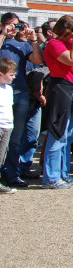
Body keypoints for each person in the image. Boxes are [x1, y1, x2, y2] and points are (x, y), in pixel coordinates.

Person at [0, 13, 45, 188]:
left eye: (16, 25)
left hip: (19, 92)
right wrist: (3, 33)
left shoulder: (22, 45)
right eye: (10, 24)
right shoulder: (2, 40)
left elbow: (38, 60)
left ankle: (12, 175)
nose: (14, 28)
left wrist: (33, 41)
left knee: (15, 138)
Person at [41, 15, 73, 189]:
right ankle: (50, 177)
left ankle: (63, 173)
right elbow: (72, 60)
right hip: (62, 89)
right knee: (57, 133)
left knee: (68, 136)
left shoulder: (70, 44)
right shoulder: (54, 44)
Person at [0, 58, 18, 194]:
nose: (14, 77)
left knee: (2, 156)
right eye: (11, 75)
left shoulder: (9, 89)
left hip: (7, 126)